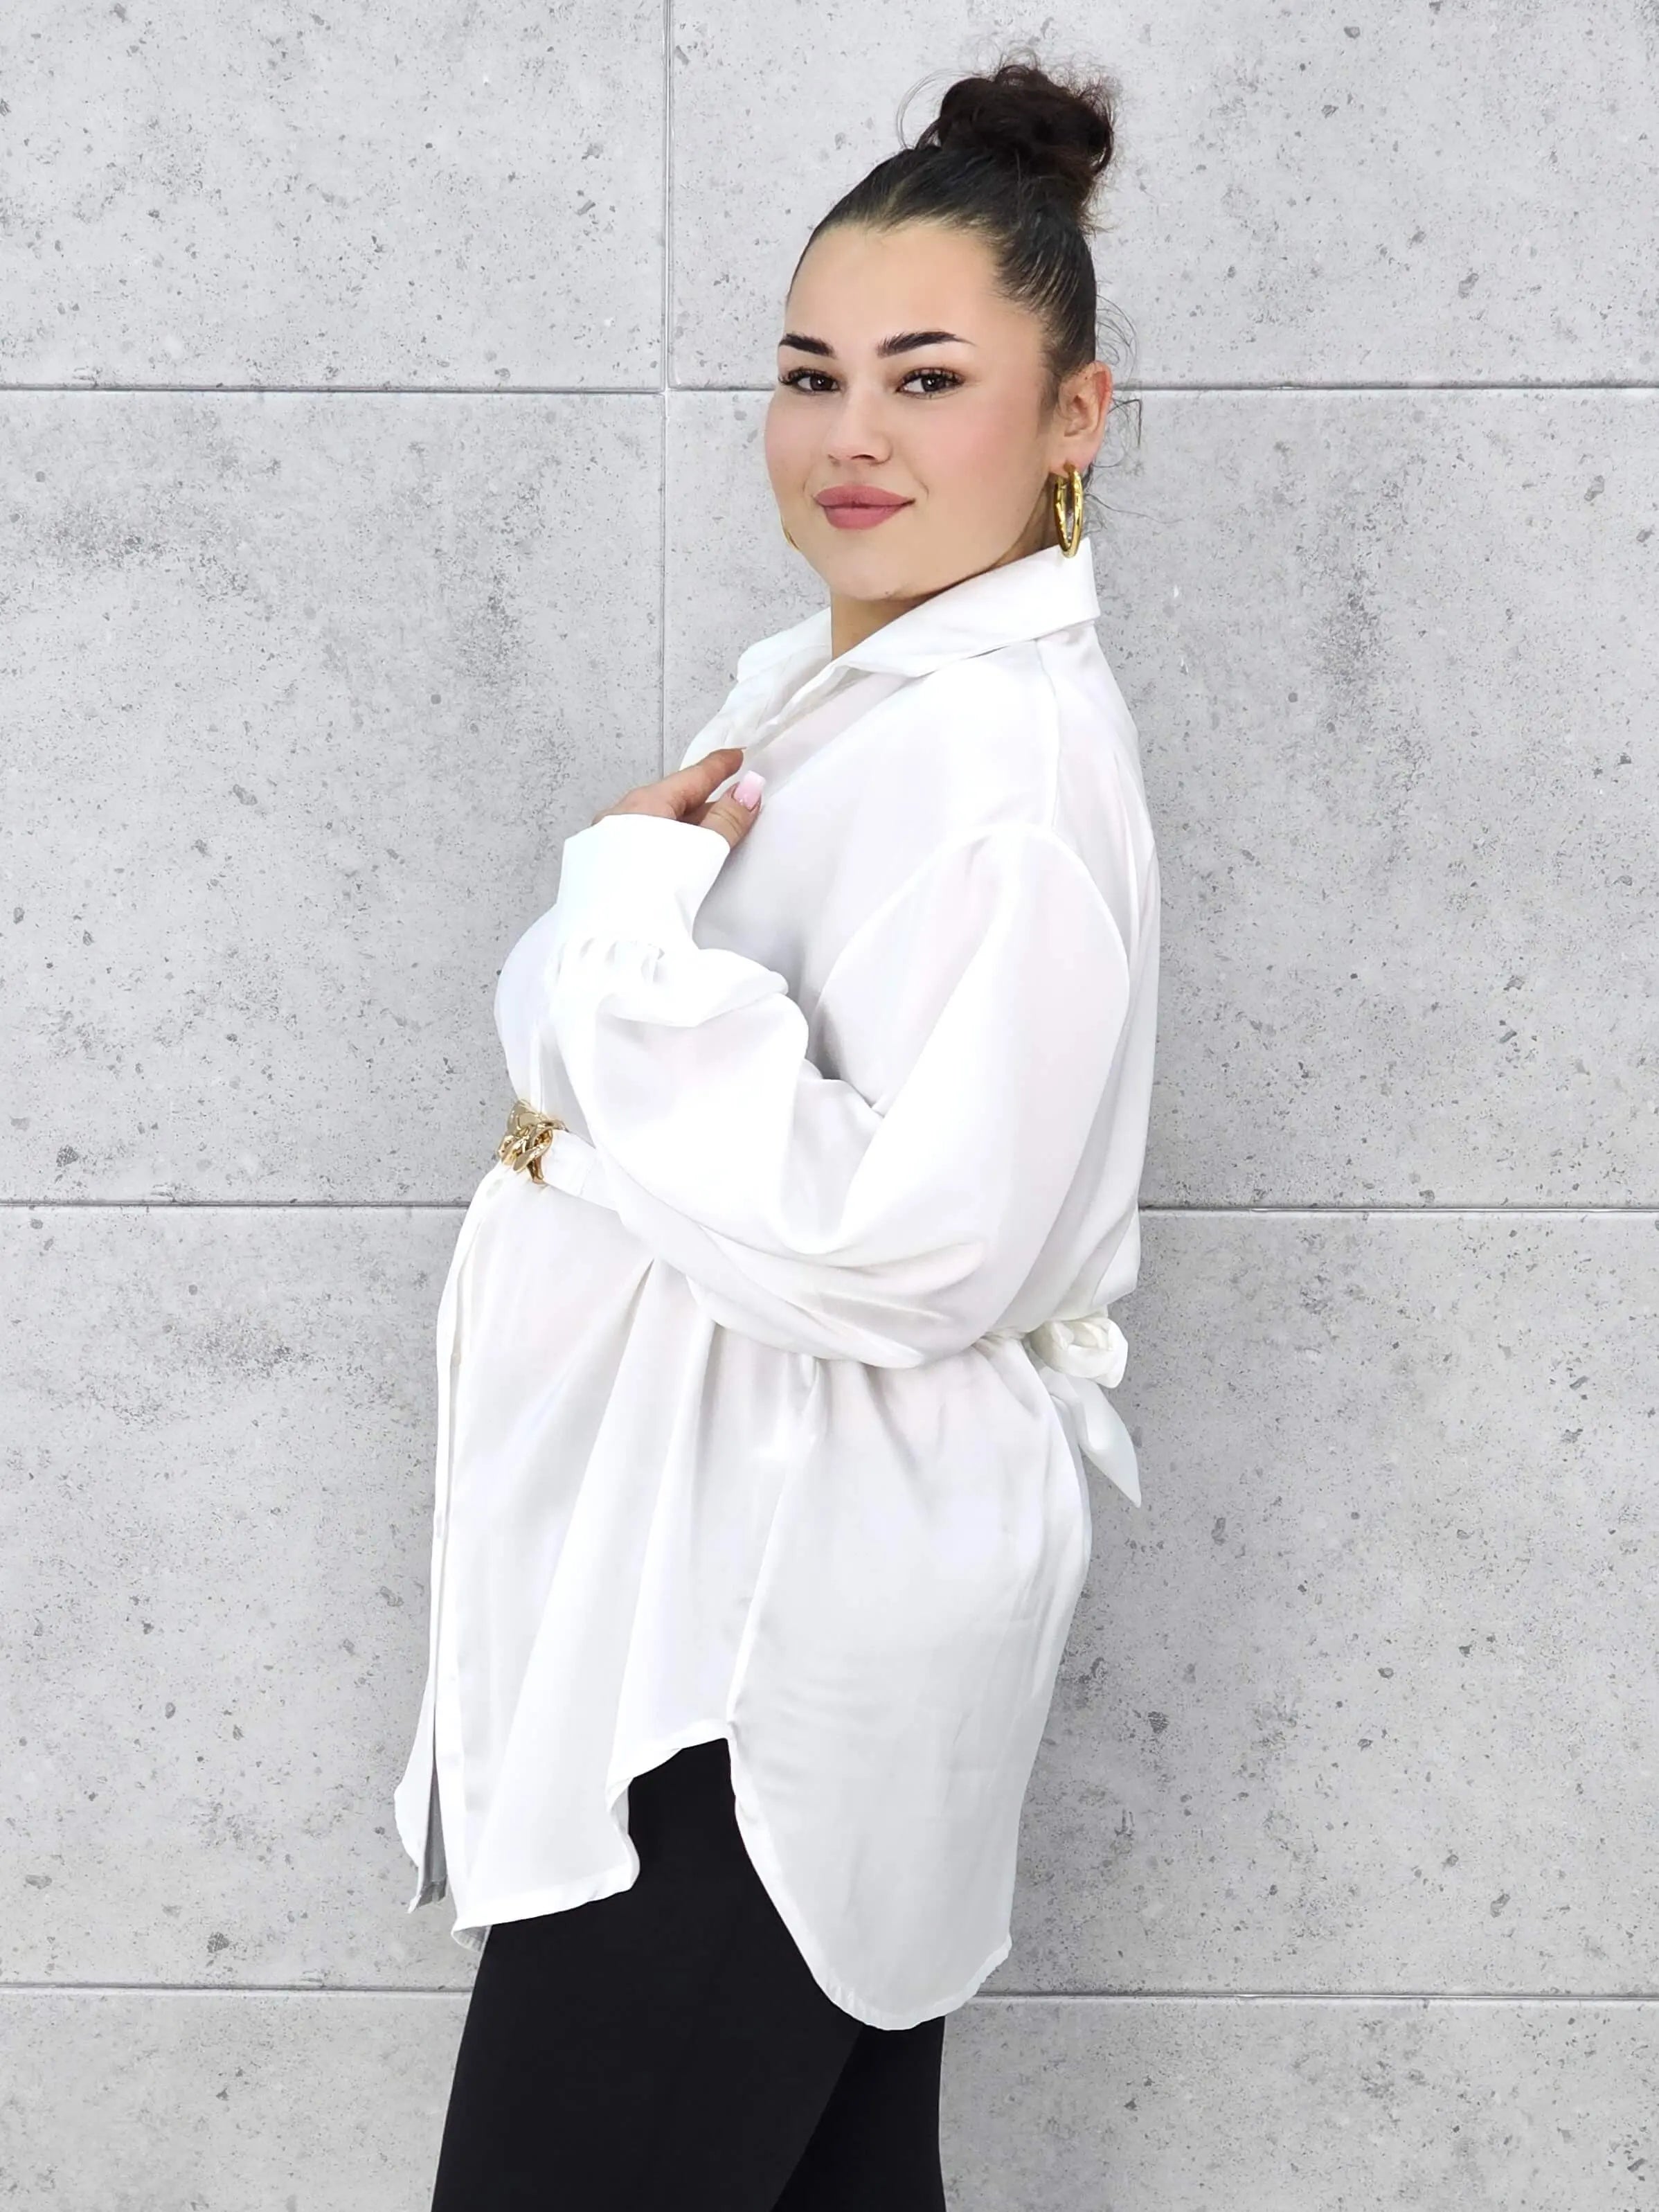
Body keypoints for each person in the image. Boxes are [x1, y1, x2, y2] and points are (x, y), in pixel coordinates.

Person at [400, 48, 1160, 2211]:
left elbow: (913, 1242)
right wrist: (614, 947)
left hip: (762, 1631)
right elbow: (590, 1047)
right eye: (810, 374)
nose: (850, 437)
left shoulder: (988, 765)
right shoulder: (834, 699)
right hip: (722, 1582)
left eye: (927, 381)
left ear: (1073, 418)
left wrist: (620, 937)